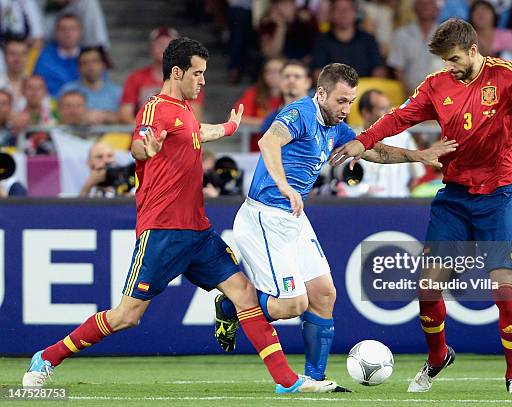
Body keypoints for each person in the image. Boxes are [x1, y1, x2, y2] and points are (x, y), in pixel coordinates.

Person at [22, 36, 336, 395]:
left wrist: (231, 128)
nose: (203, 81)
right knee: (126, 316)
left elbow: (199, 133)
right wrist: (146, 146)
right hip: (163, 233)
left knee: (244, 295)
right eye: (198, 73)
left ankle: (287, 381)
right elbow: (143, 139)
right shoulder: (156, 109)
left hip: (198, 232)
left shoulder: (185, 111)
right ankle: (46, 358)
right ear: (176, 71)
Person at [330, 18, 512, 394]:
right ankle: (438, 356)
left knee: (503, 289)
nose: (449, 67)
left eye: (454, 59)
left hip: (498, 196)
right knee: (427, 287)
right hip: (454, 198)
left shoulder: (504, 74)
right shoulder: (436, 86)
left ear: (473, 50)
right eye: (444, 60)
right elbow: (397, 117)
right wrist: (363, 140)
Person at [212, 63, 457, 389]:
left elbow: (373, 150)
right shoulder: (299, 113)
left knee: (324, 293)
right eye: (341, 100)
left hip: (294, 218)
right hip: (265, 216)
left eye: (351, 101)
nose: (346, 109)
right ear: (322, 93)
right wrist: (284, 186)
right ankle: (229, 306)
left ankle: (316, 378)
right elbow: (268, 143)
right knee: (292, 304)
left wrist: (419, 155)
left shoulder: (337, 127)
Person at [118, 27, 204, 124]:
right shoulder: (136, 78)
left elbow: (195, 116)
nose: (163, 47)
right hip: (144, 136)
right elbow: (124, 114)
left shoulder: (190, 79)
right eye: (159, 44)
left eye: (168, 45)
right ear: (151, 48)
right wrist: (147, 129)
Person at [357, 88, 425, 197]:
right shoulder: (351, 141)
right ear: (366, 113)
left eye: (389, 106)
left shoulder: (404, 137)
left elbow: (416, 177)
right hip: (362, 209)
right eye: (383, 108)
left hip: (397, 208)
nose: (390, 112)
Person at [60, 46, 121, 124]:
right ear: (79, 68)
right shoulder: (67, 90)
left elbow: (126, 118)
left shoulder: (117, 92)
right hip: (75, 135)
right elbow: (60, 118)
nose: (90, 66)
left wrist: (104, 116)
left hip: (111, 135)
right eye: (85, 63)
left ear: (102, 65)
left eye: (94, 61)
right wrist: (83, 117)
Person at [33, 13, 82, 97]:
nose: (68, 32)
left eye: (72, 29)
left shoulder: (90, 57)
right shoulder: (44, 58)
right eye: (63, 29)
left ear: (80, 32)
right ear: (56, 32)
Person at [260, 59, 312, 134]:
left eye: (297, 76)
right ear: (280, 82)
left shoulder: (319, 114)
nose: (291, 80)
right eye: (287, 76)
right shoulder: (272, 118)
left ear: (308, 82)